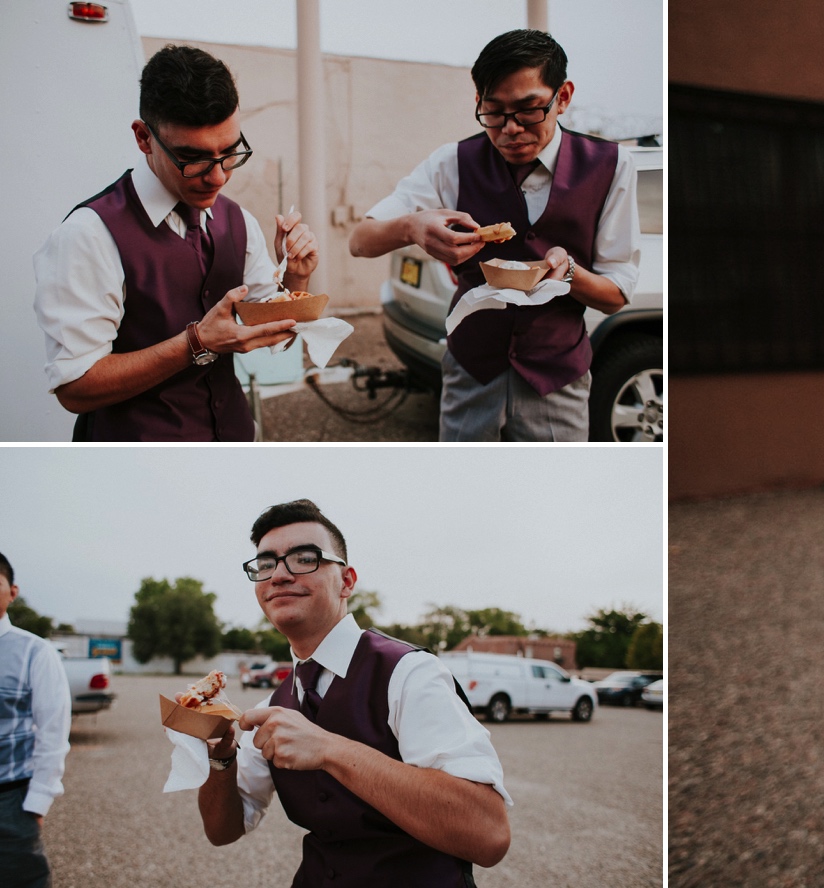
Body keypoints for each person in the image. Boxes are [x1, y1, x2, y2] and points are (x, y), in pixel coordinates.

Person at [197, 500, 510, 886]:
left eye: (303, 558)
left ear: (346, 582)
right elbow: (222, 831)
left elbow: (488, 834)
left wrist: (330, 749)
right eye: (265, 564)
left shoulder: (410, 673)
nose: (278, 575)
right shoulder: (271, 706)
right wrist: (221, 757)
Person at [348, 29, 640, 441]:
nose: (510, 129)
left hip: (557, 379)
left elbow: (616, 294)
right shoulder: (451, 162)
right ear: (478, 104)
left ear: (564, 96)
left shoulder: (611, 166)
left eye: (528, 110)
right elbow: (360, 240)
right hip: (470, 369)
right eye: (494, 112)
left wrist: (570, 272)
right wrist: (411, 227)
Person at [33, 45, 317, 441]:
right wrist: (195, 342)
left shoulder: (239, 221)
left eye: (229, 152)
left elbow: (276, 336)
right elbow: (75, 387)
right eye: (192, 158)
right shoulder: (88, 235)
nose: (218, 177)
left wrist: (297, 283)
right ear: (144, 138)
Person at [0, 553, 70, 888]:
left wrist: (37, 802)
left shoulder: (34, 652)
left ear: (12, 592)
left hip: (9, 800)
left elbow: (53, 732)